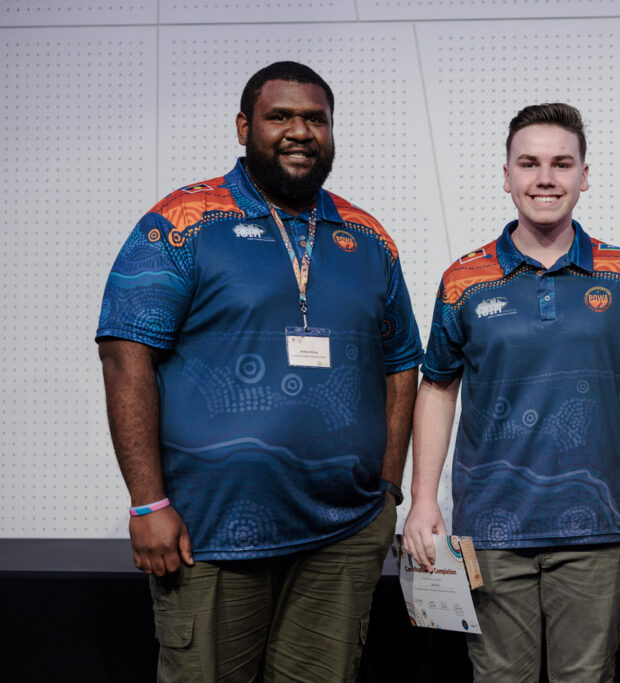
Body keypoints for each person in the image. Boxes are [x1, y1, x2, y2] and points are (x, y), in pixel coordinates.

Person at [96, 61, 422, 682]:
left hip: (343, 534)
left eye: (315, 119)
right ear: (246, 127)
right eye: (281, 117)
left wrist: (387, 491)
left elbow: (402, 361)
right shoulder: (182, 221)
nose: (300, 131)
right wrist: (146, 503)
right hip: (210, 534)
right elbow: (124, 354)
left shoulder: (367, 235)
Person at [402, 103, 620, 682]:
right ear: (506, 175)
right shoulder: (465, 278)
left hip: (597, 530)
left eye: (562, 163)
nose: (545, 178)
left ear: (584, 175)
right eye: (529, 163)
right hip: (490, 528)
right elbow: (438, 389)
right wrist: (424, 499)